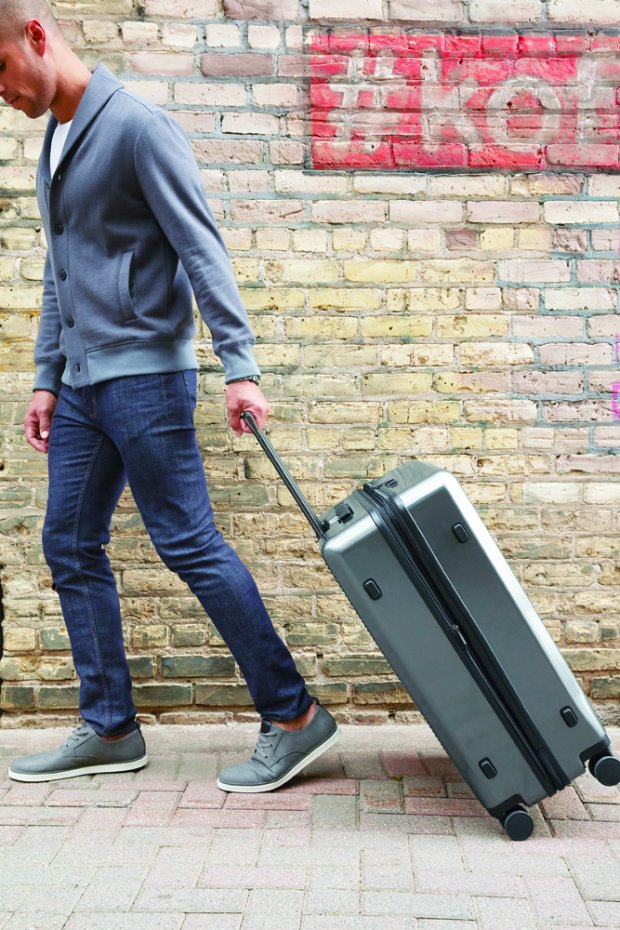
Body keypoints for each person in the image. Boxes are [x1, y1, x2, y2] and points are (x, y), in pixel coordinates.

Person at [1, 0, 340, 791]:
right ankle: (110, 726)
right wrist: (47, 377)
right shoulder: (55, 139)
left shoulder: (137, 128)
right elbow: (62, 274)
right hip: (84, 387)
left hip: (147, 379)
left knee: (187, 542)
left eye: (1, 68)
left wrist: (240, 365)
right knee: (69, 544)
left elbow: (200, 247)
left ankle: (293, 715)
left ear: (37, 38)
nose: (2, 91)